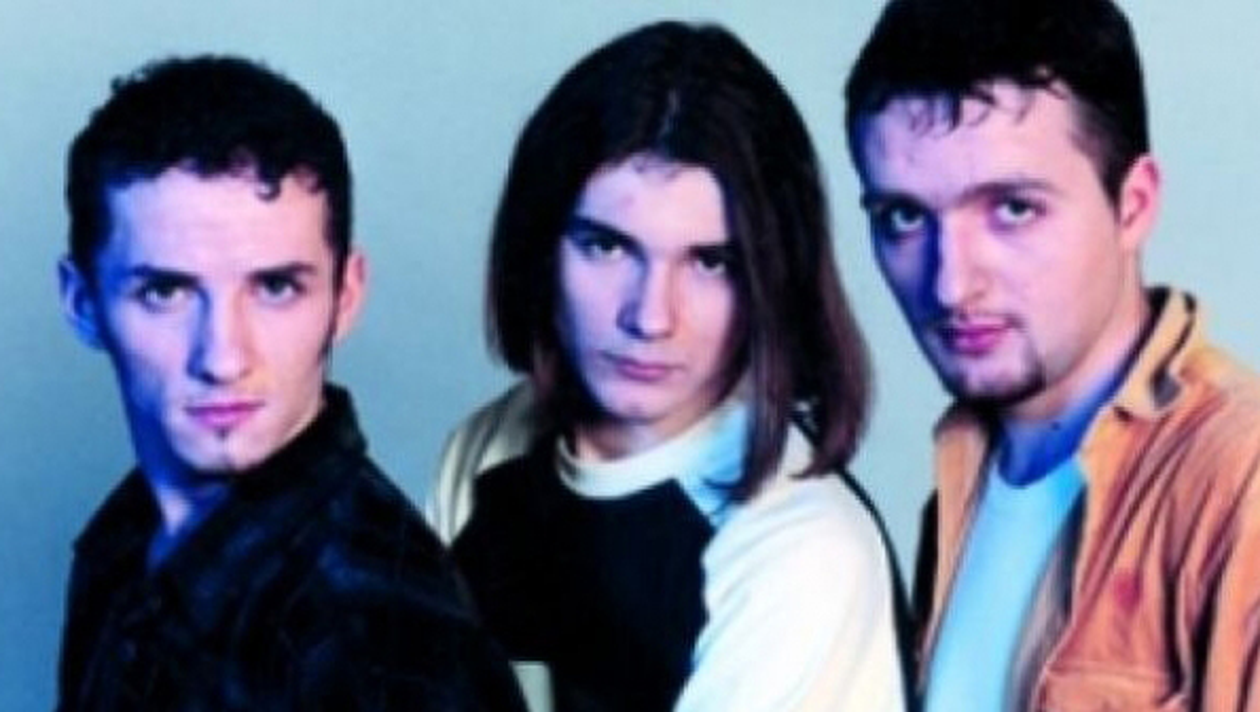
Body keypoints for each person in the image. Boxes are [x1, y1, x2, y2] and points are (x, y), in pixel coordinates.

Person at [426, 21, 907, 712]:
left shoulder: (803, 551)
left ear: (770, 279)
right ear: (540, 246)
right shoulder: (489, 452)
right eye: (607, 247)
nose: (651, 317)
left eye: (710, 262)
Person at [55, 55, 524, 711]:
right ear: (82, 302)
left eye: (275, 287)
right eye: (166, 291)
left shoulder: (378, 639)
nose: (224, 358)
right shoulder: (122, 543)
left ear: (345, 296)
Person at [843, 0, 1260, 709]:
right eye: (905, 217)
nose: (951, 284)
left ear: (1133, 204)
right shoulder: (963, 485)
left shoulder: (1237, 484)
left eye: (1013, 208)